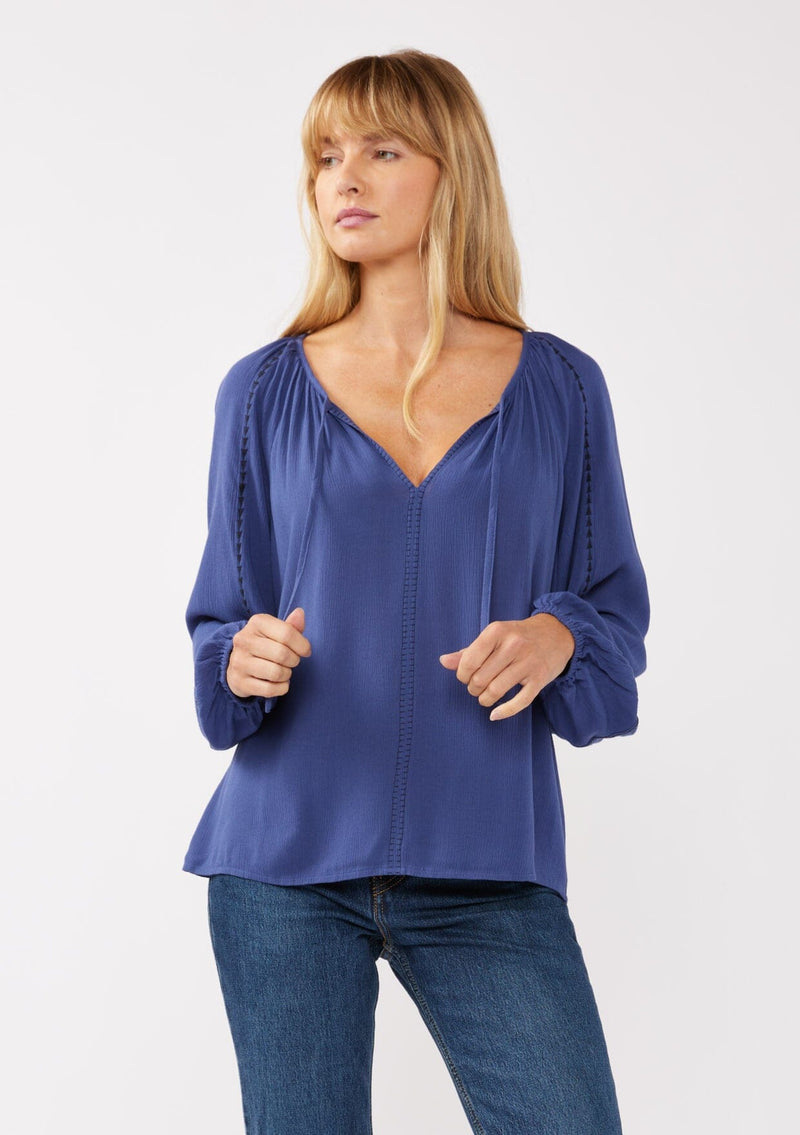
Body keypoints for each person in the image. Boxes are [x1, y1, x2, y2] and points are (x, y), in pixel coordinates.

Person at [183, 48, 649, 1135]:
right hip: (282, 867)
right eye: (325, 156)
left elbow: (612, 617)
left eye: (382, 151)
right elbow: (220, 620)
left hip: (487, 864)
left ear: (453, 172)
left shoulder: (561, 387)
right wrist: (238, 657)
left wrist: (559, 635)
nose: (343, 178)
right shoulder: (261, 390)